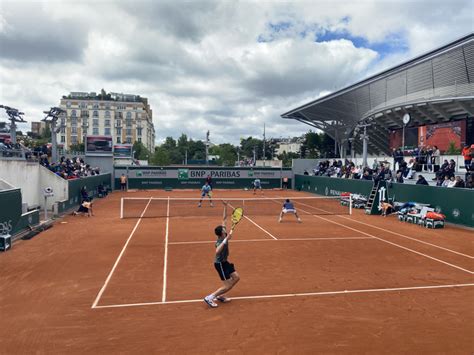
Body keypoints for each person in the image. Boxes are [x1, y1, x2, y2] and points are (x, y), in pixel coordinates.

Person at [204, 201, 240, 308]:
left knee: (236, 278)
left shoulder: (223, 233)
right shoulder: (220, 241)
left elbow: (224, 219)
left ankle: (221, 295)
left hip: (225, 262)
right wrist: (226, 240)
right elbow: (217, 251)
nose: (225, 229)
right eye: (224, 229)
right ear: (222, 233)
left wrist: (225, 206)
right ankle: (210, 297)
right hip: (219, 264)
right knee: (228, 285)